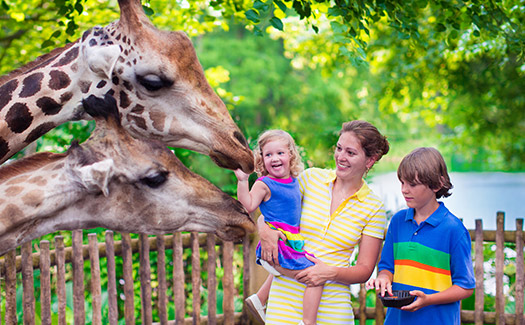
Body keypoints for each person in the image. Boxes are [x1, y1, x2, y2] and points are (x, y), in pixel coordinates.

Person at [255, 120, 390, 324]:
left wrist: (329, 272)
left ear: (370, 160)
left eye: (350, 153)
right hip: (284, 302)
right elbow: (273, 212)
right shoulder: (310, 179)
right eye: (339, 148)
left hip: (333, 309)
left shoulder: (374, 207)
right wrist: (263, 230)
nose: (341, 157)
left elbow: (364, 269)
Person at [366, 147, 475, 324]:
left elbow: (465, 286)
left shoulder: (454, 230)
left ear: (437, 185)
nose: (404, 190)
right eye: (402, 183)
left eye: (412, 184)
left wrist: (428, 300)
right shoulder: (398, 222)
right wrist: (383, 279)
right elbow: (387, 266)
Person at [235, 129, 322, 325]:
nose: (274, 158)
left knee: (308, 269)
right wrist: (242, 181)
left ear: (290, 155)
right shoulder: (264, 183)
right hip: (278, 247)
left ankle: (259, 299)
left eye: (280, 153)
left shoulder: (294, 181)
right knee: (315, 277)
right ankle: (308, 322)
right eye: (268, 155)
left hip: (291, 243)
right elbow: (248, 205)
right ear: (262, 160)